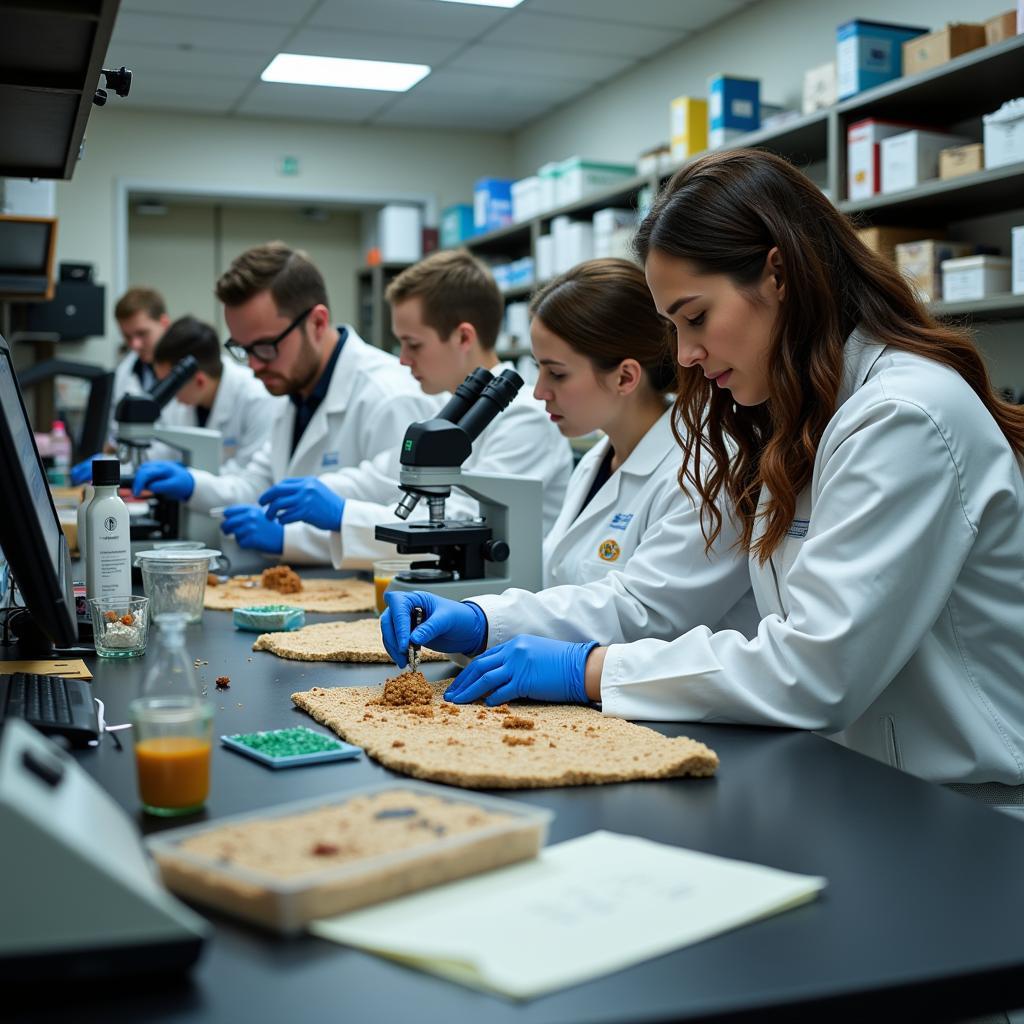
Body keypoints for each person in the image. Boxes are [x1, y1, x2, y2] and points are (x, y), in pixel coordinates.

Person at [382, 149, 1024, 793]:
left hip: (970, 806)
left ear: (779, 274)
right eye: (672, 327)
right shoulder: (790, 417)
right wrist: (490, 620)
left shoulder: (902, 415)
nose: (685, 355)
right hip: (859, 779)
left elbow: (819, 668)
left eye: (696, 317)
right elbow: (651, 601)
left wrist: (589, 670)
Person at [259, 249, 573, 569]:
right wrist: (317, 491)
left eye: (414, 344)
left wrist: (342, 514)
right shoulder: (441, 410)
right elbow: (383, 477)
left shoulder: (525, 420)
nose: (403, 359)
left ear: (463, 337)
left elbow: (466, 521)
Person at [133, 241, 437, 564]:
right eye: (243, 349)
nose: (253, 366)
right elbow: (259, 487)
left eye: (265, 347)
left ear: (318, 323)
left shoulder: (389, 396)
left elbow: (415, 531)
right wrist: (194, 484)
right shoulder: (290, 388)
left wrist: (288, 538)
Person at [150, 315, 284, 474]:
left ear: (200, 381)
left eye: (170, 387)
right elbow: (164, 452)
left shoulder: (256, 398)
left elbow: (250, 478)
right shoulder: (180, 404)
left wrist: (193, 482)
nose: (168, 396)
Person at [70, 285, 171, 482]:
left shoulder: (186, 373)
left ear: (164, 323)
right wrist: (109, 460)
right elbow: (114, 437)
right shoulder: (124, 372)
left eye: (142, 334)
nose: (135, 345)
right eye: (127, 336)